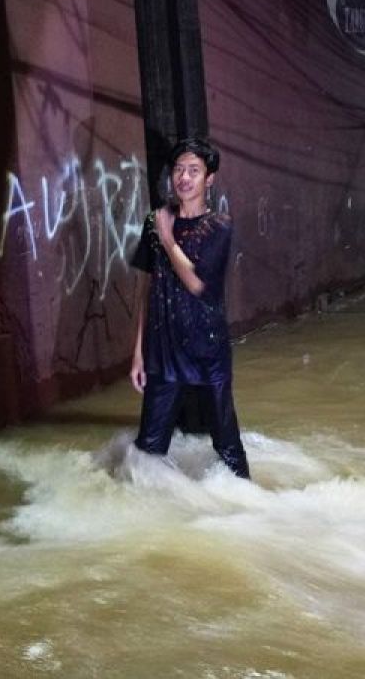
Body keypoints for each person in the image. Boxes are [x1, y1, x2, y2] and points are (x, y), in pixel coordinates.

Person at [128, 137, 250, 479]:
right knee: (148, 447)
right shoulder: (156, 223)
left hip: (207, 349)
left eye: (193, 171)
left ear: (208, 179)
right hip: (163, 352)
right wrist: (139, 352)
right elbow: (145, 287)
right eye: (179, 170)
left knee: (226, 442)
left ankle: (246, 504)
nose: (183, 177)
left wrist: (168, 240)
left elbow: (197, 284)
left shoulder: (218, 225)